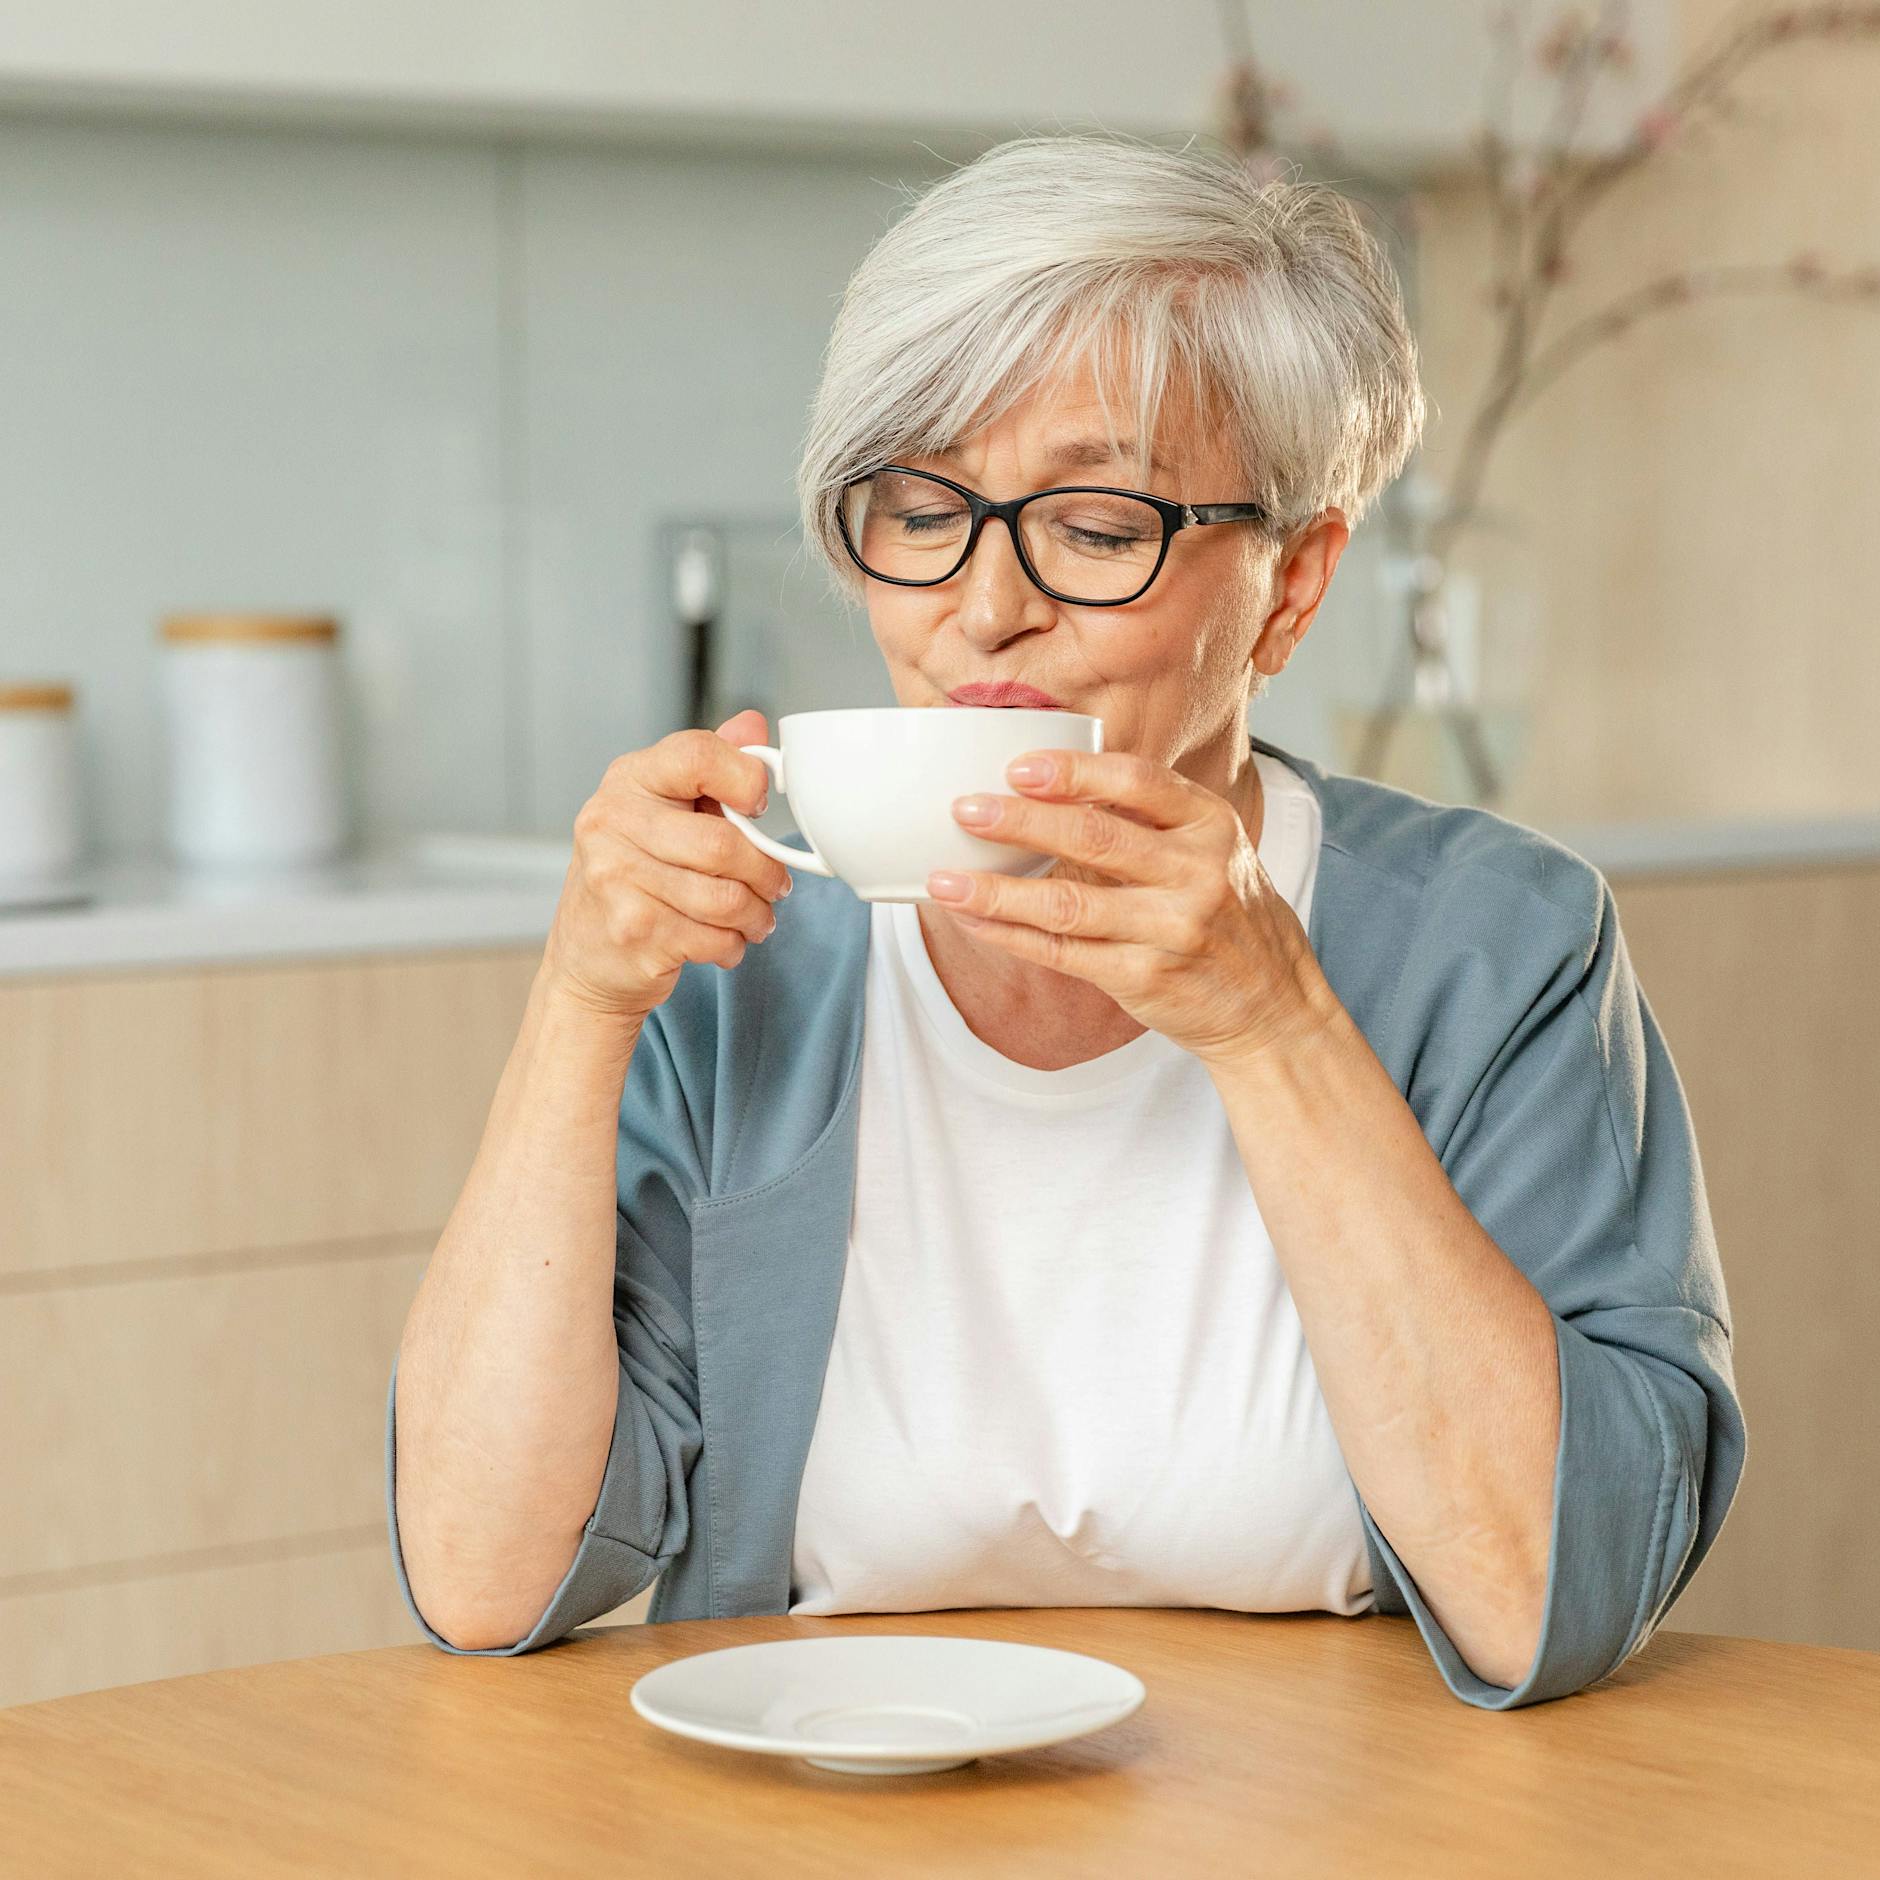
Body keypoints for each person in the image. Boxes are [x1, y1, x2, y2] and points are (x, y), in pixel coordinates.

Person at [386, 135, 1743, 1710]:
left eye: (1097, 529)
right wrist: (579, 1005)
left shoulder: (1499, 945)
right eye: (919, 510)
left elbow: (1550, 1597)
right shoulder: (747, 953)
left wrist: (1271, 1023)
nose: (982, 609)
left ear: (1294, 588)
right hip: (817, 1816)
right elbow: (484, 1581)